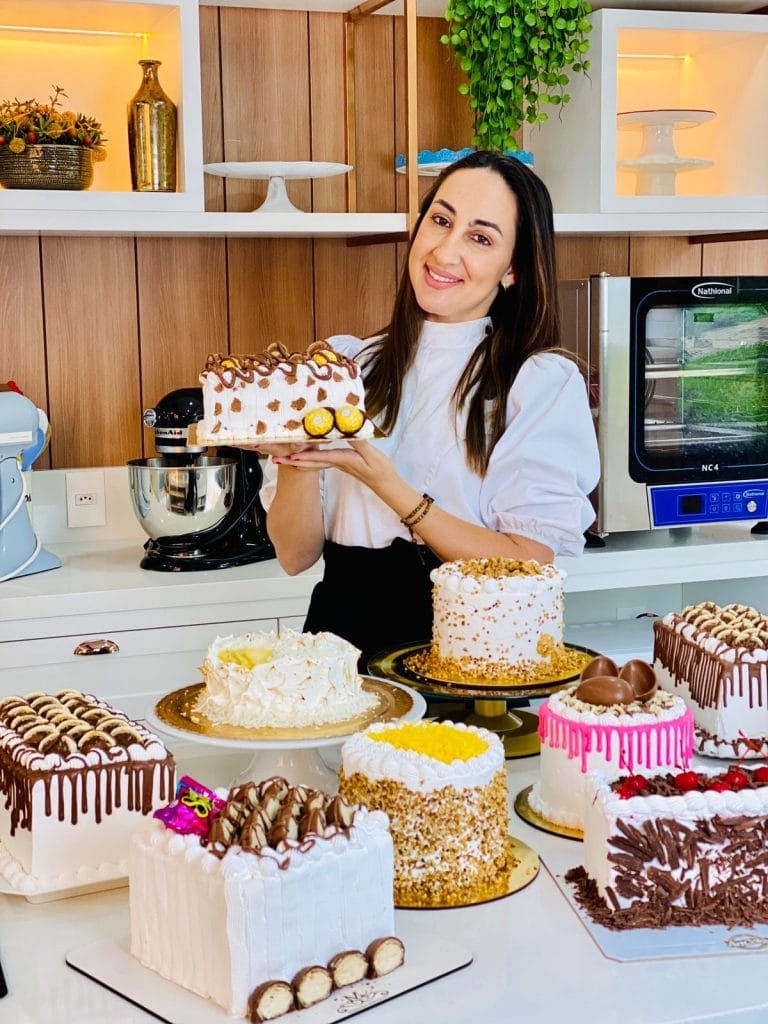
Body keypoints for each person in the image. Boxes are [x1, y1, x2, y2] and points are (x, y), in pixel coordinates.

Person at [256, 149, 600, 668]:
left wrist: (388, 485)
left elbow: (528, 565)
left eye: (480, 238)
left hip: (463, 655)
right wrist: (296, 461)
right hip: (335, 648)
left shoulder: (538, 383)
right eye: (440, 220)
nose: (444, 250)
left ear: (513, 270)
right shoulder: (348, 363)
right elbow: (294, 555)